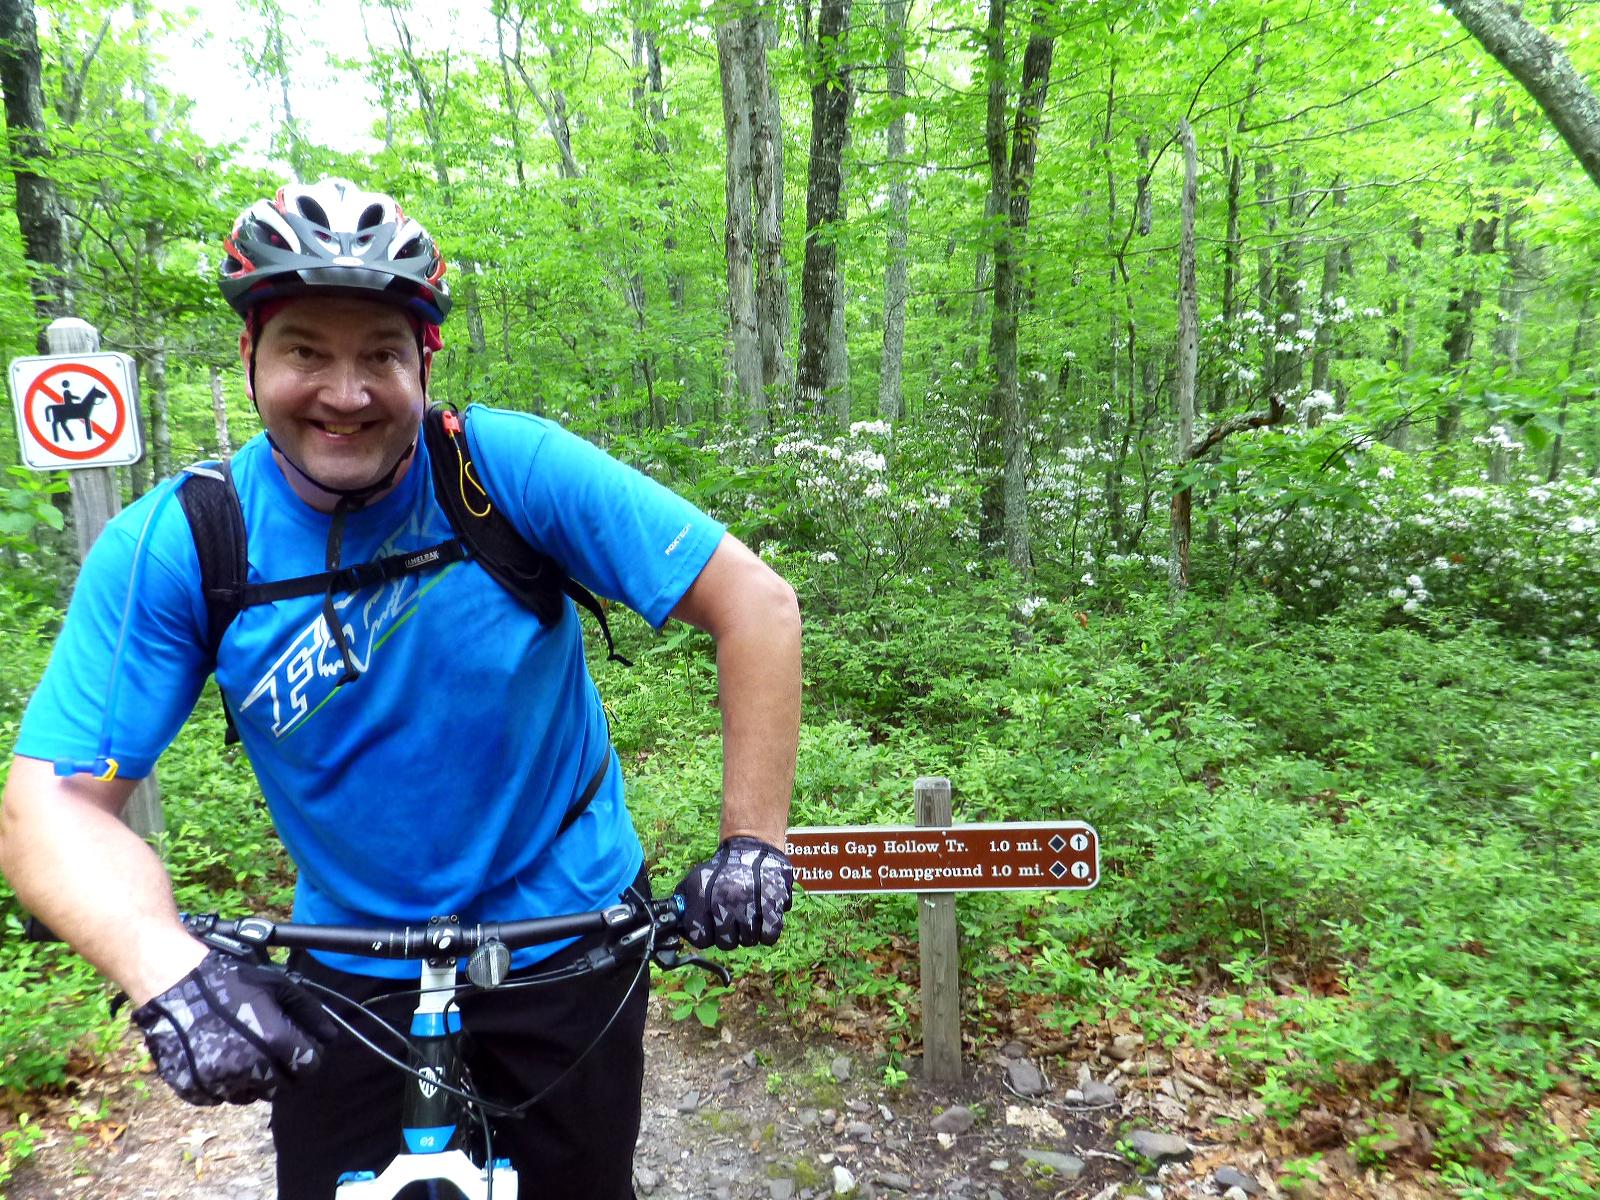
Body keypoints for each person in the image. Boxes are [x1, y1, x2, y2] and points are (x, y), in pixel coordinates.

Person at [0, 177, 802, 1199]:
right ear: (249, 359)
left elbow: (757, 606)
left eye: (379, 352)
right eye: (305, 352)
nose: (346, 391)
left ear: (421, 361)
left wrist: (750, 846)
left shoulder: (501, 468)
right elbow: (49, 807)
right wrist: (166, 972)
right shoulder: (184, 539)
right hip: (350, 947)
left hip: (564, 924)